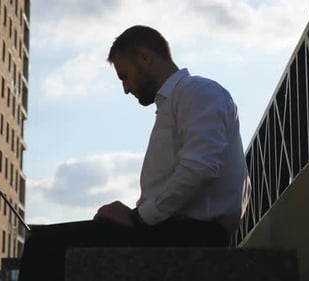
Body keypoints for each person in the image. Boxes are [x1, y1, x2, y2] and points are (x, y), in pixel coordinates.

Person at [17, 25, 248, 281]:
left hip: (193, 233)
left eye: (124, 75)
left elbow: (199, 169)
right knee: (58, 241)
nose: (126, 88)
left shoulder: (198, 91)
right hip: (175, 229)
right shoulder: (179, 101)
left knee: (43, 245)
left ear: (145, 58)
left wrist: (138, 217)